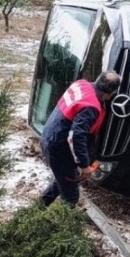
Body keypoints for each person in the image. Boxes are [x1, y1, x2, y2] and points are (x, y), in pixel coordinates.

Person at [40, 71, 121, 207]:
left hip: (50, 136)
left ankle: (37, 210)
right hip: (59, 148)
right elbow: (76, 136)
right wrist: (84, 165)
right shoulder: (91, 108)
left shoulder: (82, 84)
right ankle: (64, 226)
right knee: (71, 197)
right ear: (110, 94)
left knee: (63, 180)